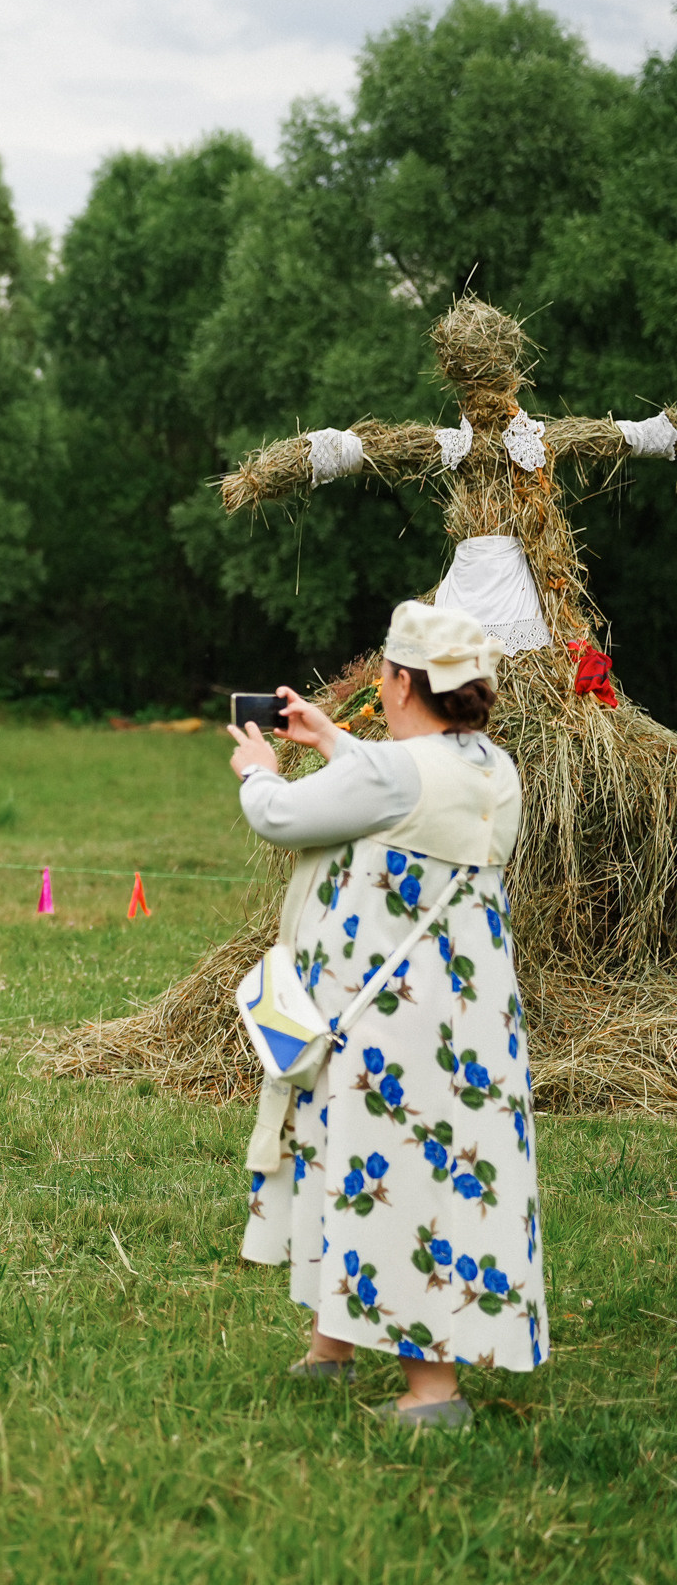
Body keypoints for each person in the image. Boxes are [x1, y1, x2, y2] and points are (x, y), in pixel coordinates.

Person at [228, 599, 545, 1430]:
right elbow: (405, 783)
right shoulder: (494, 767)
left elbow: (281, 816)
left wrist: (259, 769)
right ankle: (334, 1341)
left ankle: (431, 1394)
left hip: (387, 1028)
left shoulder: (394, 773)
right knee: (392, 1166)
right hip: (470, 1022)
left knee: (395, 1176)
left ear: (401, 680)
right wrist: (333, 739)